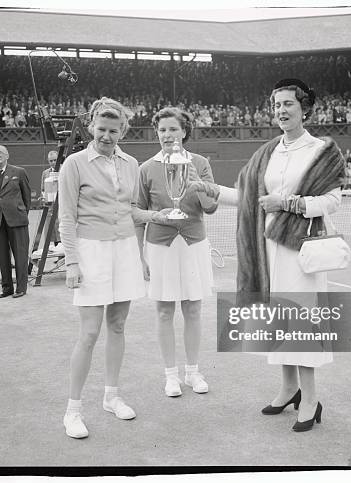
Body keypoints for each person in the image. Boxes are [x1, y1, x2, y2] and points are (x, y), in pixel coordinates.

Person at [195, 79, 345, 432]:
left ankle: (310, 398)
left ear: (305, 108)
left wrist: (288, 203)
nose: (281, 110)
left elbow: (332, 201)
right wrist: (209, 188)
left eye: (289, 104)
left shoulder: (322, 151)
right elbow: (247, 197)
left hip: (301, 249)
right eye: (277, 104)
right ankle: (288, 388)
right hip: (267, 249)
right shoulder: (267, 152)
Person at [58, 97, 172, 439]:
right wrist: (73, 262)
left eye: (113, 130)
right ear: (91, 126)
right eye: (101, 129)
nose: (106, 136)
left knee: (118, 325)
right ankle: (73, 411)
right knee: (90, 333)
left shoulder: (130, 163)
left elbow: (131, 210)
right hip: (91, 250)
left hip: (124, 249)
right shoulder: (74, 164)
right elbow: (67, 217)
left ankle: (112, 396)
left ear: (122, 130)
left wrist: (155, 218)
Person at [135, 107, 218, 397]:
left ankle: (193, 372)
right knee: (164, 310)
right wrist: (140, 251)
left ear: (184, 131)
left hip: (193, 243)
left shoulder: (200, 163)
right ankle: (171, 376)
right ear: (156, 134)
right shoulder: (146, 168)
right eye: (162, 130)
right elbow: (136, 212)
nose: (168, 135)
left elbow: (210, 207)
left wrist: (197, 180)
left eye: (173, 129)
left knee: (193, 309)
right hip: (160, 246)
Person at [0, 145, 31, 298]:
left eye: (0, 152)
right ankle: (6, 288)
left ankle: (21, 288)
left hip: (17, 219)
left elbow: (26, 197)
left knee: (20, 256)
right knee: (2, 257)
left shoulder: (19, 172)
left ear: (7, 155)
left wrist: (21, 212)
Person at [40, 150, 61, 246]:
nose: (53, 163)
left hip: (61, 205)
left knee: (61, 229)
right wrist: (43, 197)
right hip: (50, 206)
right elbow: (42, 188)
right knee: (52, 230)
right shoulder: (45, 173)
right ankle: (57, 253)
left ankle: (62, 257)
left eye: (55, 160)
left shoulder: (64, 170)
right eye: (51, 161)